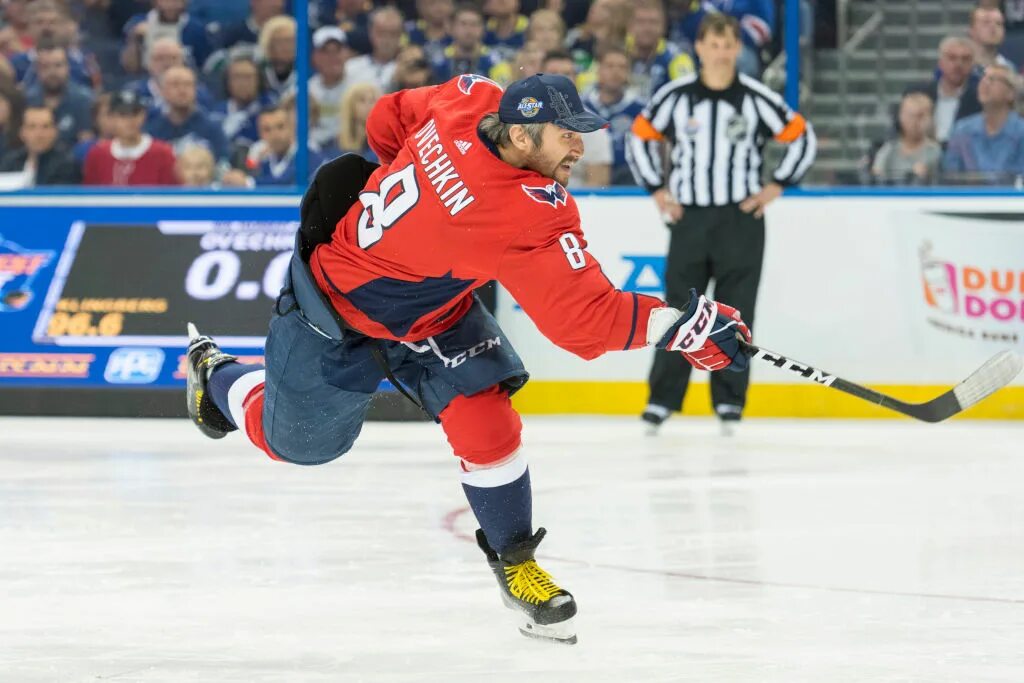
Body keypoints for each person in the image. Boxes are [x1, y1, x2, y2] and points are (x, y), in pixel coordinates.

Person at [183, 71, 751, 644]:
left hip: (433, 311)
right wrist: (685, 326)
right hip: (333, 308)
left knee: (486, 414)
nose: (580, 146)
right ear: (523, 137)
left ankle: (516, 564)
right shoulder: (529, 211)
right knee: (296, 445)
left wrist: (419, 203)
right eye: (566, 135)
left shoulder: (470, 97)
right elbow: (583, 321)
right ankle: (219, 377)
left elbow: (387, 117)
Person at [626, 13, 815, 435]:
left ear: (737, 48)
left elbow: (802, 136)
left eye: (728, 43)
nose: (721, 52)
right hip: (690, 218)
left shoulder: (755, 96)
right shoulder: (676, 97)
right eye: (713, 43)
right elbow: (638, 136)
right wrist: (657, 190)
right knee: (677, 312)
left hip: (740, 221)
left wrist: (775, 187)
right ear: (700, 48)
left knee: (737, 313)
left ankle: (729, 402)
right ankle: (662, 400)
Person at [943, 64, 1024, 182]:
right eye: (983, 78)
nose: (984, 83)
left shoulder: (1021, 131)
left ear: (1011, 93)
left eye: (992, 79)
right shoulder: (962, 130)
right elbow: (952, 174)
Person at [542, 49, 612, 186]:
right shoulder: (520, 119)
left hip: (577, 201)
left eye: (567, 74)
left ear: (576, 79)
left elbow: (598, 185)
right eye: (553, 73)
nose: (560, 79)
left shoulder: (592, 126)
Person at [83, 89, 178, 186]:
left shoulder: (163, 153)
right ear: (112, 118)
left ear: (143, 116)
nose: (129, 121)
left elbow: (169, 194)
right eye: (122, 115)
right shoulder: (98, 154)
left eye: (134, 114)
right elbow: (90, 195)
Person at [583, 44, 645, 185]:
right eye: (609, 66)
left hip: (629, 179)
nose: (616, 72)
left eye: (622, 67)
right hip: (588, 174)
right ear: (598, 70)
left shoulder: (641, 110)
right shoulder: (581, 106)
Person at [906, 36, 981, 144]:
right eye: (952, 58)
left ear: (972, 65)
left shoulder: (979, 100)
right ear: (940, 62)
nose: (958, 64)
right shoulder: (918, 93)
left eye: (965, 59)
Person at [145, 65, 229, 162]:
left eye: (187, 84)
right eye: (175, 85)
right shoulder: (151, 129)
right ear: (162, 91)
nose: (182, 90)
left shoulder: (212, 128)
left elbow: (223, 162)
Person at [676, 0, 774, 77]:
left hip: (739, 46)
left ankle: (736, 97)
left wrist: (725, 31)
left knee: (740, 55)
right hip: (698, 43)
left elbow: (763, 29)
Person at [23, 41, 94, 147]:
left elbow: (86, 143)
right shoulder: (26, 100)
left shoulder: (84, 100)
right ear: (37, 70)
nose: (52, 72)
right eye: (45, 67)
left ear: (68, 67)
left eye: (58, 65)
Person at [627, 0, 695, 101]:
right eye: (640, 22)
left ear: (663, 26)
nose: (647, 28)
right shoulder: (617, 52)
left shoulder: (677, 58)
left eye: (653, 22)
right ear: (630, 26)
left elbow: (686, 98)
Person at [871, 92, 941, 186]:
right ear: (900, 116)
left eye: (920, 116)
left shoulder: (935, 151)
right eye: (910, 116)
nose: (914, 122)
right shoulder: (889, 149)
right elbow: (877, 175)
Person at [245, 104, 325, 186]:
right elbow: (249, 172)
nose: (274, 135)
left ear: (292, 127)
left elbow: (285, 183)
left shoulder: (308, 155)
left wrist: (249, 182)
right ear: (260, 133)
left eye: (280, 127)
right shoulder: (263, 157)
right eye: (267, 129)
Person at [0, 104, 79, 185]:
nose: (39, 134)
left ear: (55, 132)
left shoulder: (66, 164)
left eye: (45, 127)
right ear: (22, 132)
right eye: (32, 127)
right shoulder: (10, 161)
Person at [430, 4, 504, 83]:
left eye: (474, 24)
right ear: (450, 28)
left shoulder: (495, 61)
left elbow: (503, 91)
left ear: (483, 29)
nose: (469, 30)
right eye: (463, 24)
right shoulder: (438, 60)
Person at [343, 6, 404, 92]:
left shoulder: (405, 69)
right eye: (381, 33)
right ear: (371, 33)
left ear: (400, 36)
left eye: (392, 33)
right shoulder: (351, 67)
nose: (387, 39)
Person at [309, 26, 351, 148]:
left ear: (346, 53)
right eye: (325, 51)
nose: (332, 57)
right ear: (315, 56)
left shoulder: (360, 88)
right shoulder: (306, 90)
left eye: (337, 50)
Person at [321, 82, 381, 161]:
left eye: (372, 100)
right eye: (362, 100)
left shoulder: (384, 144)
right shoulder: (331, 145)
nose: (369, 105)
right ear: (350, 106)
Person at [257, 14, 296, 100]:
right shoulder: (257, 74)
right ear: (268, 44)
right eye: (279, 41)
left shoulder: (307, 75)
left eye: (290, 41)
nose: (286, 47)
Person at [405, 0, 453, 65]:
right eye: (432, 3)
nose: (439, 8)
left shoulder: (458, 37)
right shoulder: (412, 34)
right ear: (422, 7)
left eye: (444, 2)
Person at [969, 5, 1016, 71]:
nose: (993, 27)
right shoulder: (963, 66)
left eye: (998, 23)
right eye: (986, 22)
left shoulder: (1009, 68)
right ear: (972, 30)